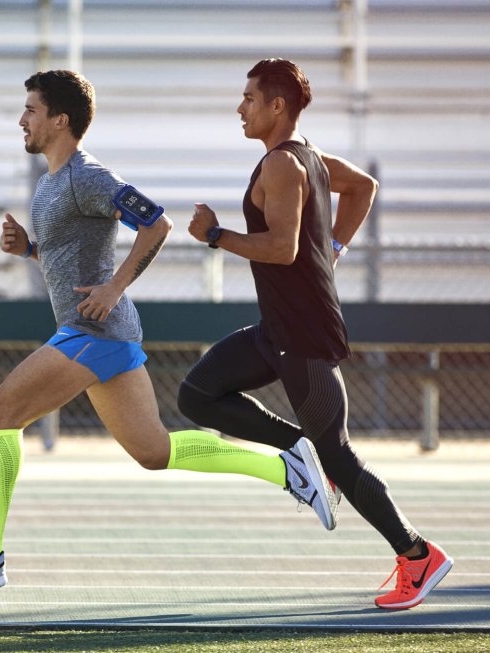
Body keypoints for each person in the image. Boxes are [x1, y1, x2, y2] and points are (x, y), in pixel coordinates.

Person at [0, 69, 338, 591]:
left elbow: (156, 223)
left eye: (31, 110)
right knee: (154, 451)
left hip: (94, 330)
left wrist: (112, 288)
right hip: (103, 333)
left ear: (59, 120)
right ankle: (287, 470)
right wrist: (29, 249)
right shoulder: (51, 182)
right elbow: (71, 256)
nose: (22, 119)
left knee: (1, 413)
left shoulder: (87, 176)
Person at [179, 58, 453, 610]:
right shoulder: (308, 158)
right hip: (276, 330)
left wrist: (215, 235)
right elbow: (364, 188)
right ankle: (296, 450)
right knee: (197, 394)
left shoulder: (285, 165)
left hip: (300, 335)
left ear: (277, 106)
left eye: (249, 98)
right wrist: (333, 251)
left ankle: (418, 555)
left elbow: (281, 249)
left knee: (341, 459)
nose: (240, 107)